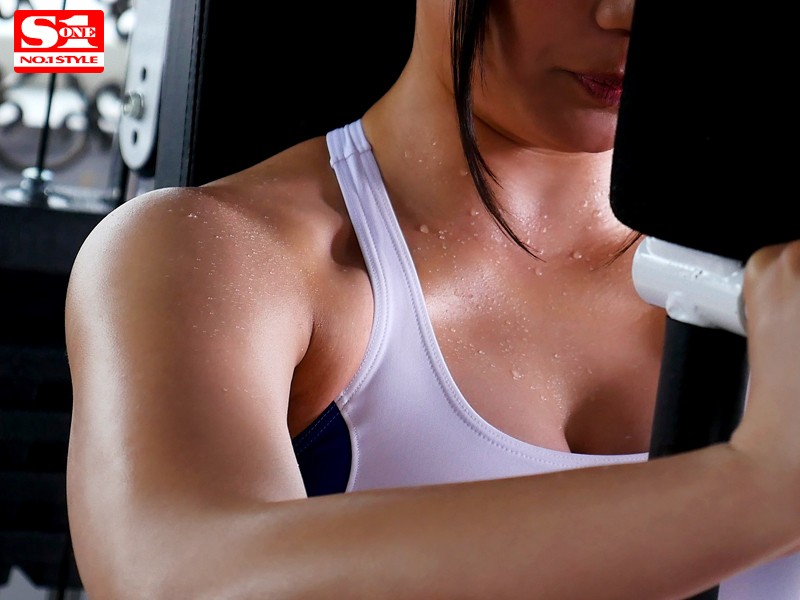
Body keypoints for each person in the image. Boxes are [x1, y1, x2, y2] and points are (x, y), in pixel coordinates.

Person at [64, 0, 800, 598]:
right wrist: (753, 488)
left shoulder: (776, 279)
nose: (624, 14)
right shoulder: (220, 253)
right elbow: (179, 578)